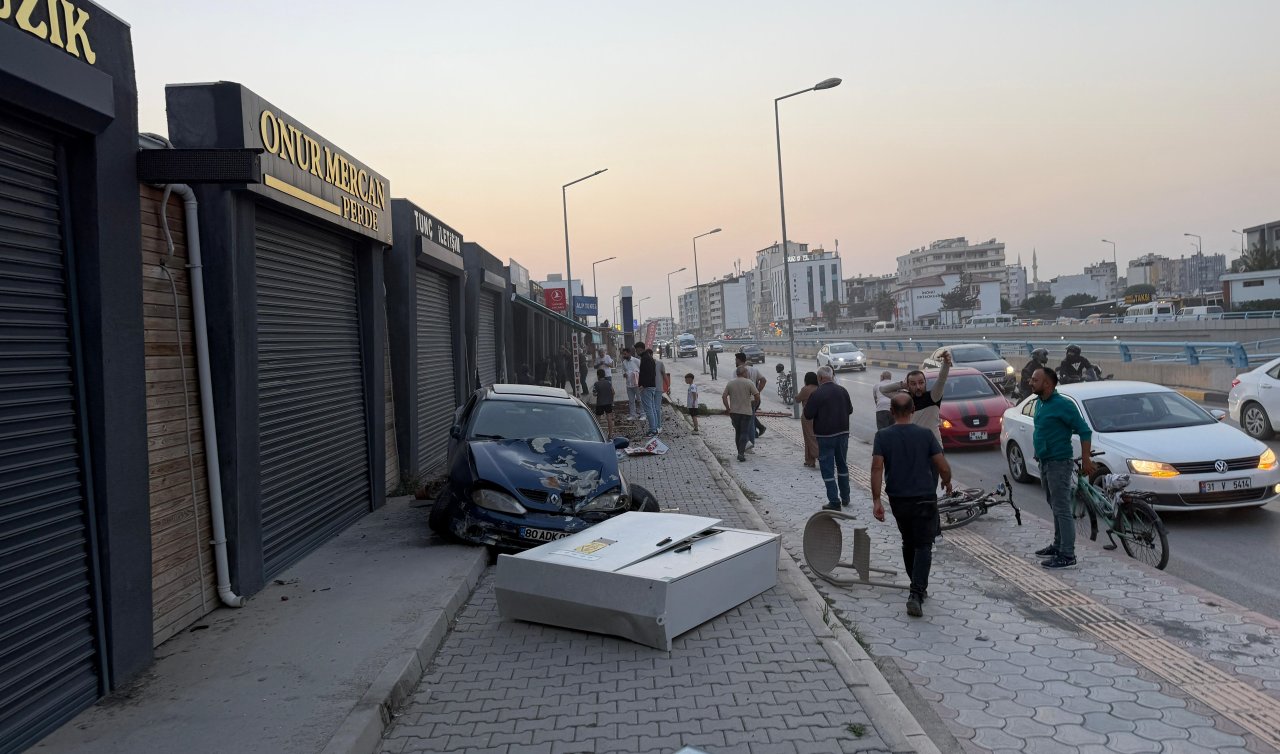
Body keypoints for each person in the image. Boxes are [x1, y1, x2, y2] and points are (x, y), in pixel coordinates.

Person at [871, 393, 954, 618]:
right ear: (913, 410)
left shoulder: (883, 436)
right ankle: (916, 593)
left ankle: (916, 586)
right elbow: (942, 465)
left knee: (909, 542)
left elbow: (877, 468)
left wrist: (877, 500)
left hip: (898, 499)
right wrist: (947, 481)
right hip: (925, 497)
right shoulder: (926, 435)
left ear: (891, 413)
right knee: (923, 545)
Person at [1031, 366, 1094, 569]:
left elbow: (1085, 431)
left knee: (1062, 508)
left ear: (1047, 384)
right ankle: (1058, 545)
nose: (1030, 382)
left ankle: (1067, 554)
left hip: (1059, 462)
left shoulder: (1063, 405)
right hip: (1045, 461)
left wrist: (1086, 459)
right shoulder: (1040, 403)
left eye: (1035, 380)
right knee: (1054, 504)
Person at [803, 366, 853, 511]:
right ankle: (846, 496)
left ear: (819, 378)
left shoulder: (817, 393)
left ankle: (834, 500)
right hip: (843, 433)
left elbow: (808, 415)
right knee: (842, 464)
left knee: (827, 468)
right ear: (831, 376)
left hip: (825, 436)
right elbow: (850, 410)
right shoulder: (843, 390)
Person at [880, 350, 952, 445]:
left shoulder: (933, 396)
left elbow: (942, 378)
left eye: (921, 383)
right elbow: (883, 390)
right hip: (912, 446)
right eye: (913, 384)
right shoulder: (905, 399)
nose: (918, 387)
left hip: (933, 447)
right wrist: (902, 384)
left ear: (925, 383)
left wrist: (946, 363)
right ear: (908, 386)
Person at [722, 366, 759, 462]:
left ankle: (739, 451)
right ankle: (741, 454)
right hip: (746, 412)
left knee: (738, 432)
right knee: (744, 432)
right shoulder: (749, 382)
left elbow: (724, 396)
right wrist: (754, 404)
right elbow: (757, 395)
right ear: (743, 373)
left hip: (734, 412)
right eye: (746, 372)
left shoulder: (730, 383)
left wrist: (727, 408)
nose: (747, 374)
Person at [734, 352, 767, 445]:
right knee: (751, 420)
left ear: (739, 360)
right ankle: (751, 442)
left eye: (736, 360)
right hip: (754, 399)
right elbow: (763, 380)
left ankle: (746, 443)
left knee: (742, 422)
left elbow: (735, 386)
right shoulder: (754, 370)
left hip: (742, 401)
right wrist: (757, 391)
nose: (735, 361)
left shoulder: (736, 371)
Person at [637, 342, 663, 436]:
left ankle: (653, 430)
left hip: (647, 387)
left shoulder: (645, 359)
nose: (636, 352)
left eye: (636, 350)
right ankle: (655, 428)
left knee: (649, 409)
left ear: (640, 349)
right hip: (651, 386)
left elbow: (647, 374)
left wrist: (643, 385)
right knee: (651, 408)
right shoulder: (649, 358)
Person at [796, 371, 820, 467]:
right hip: (819, 416)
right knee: (816, 436)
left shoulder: (806, 389)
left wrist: (796, 396)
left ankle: (814, 457)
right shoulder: (819, 388)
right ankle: (809, 460)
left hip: (807, 417)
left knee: (808, 437)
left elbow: (798, 399)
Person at [591, 367, 615, 437]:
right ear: (604, 375)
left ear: (598, 376)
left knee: (597, 419)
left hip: (600, 403)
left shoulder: (596, 384)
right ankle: (610, 434)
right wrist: (611, 401)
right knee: (609, 418)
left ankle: (596, 435)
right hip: (608, 403)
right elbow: (613, 392)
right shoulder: (609, 382)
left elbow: (594, 394)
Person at [621, 347, 641, 420]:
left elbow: (642, 370)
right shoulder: (624, 362)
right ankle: (633, 414)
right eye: (623, 354)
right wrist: (624, 374)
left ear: (629, 353)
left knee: (639, 399)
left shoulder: (636, 361)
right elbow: (623, 371)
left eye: (625, 354)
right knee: (631, 400)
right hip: (628, 384)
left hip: (637, 384)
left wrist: (636, 374)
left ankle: (643, 414)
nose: (624, 355)